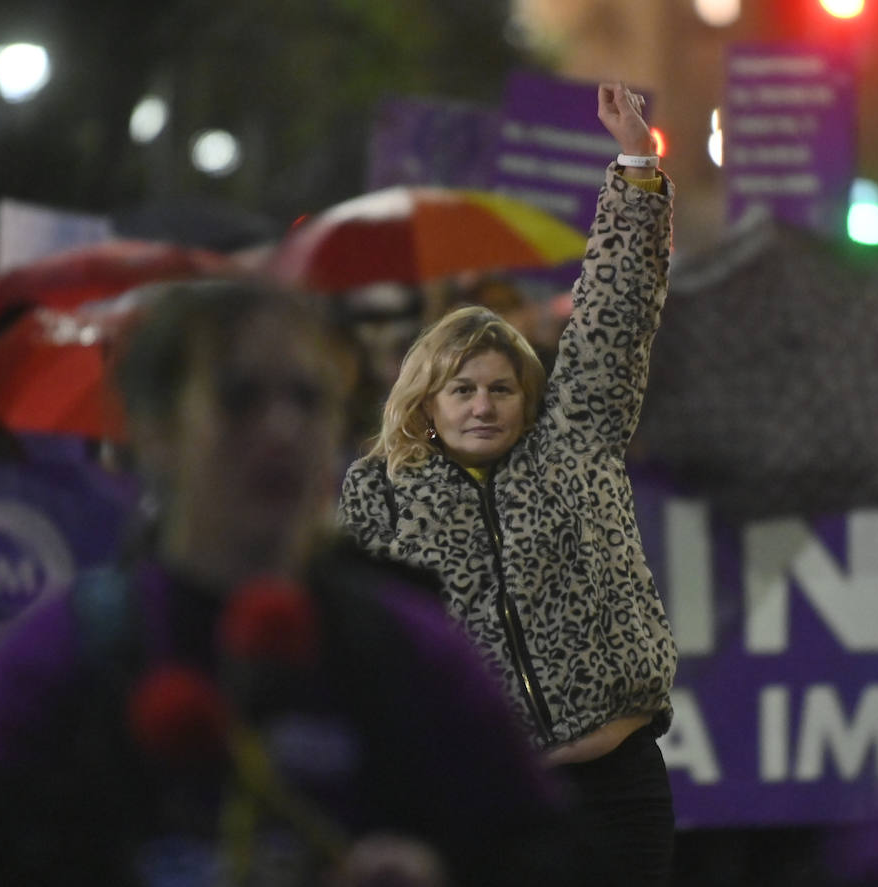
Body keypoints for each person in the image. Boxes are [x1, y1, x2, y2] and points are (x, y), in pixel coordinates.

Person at [0, 279, 593, 887]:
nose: (282, 430)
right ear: (156, 430)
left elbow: (543, 854)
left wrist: (438, 870)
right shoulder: (57, 659)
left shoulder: (415, 651)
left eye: (308, 400)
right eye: (238, 398)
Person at [338, 82, 679, 885]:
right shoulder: (378, 492)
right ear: (426, 401)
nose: (483, 404)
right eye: (463, 389)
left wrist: (634, 163)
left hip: (618, 790)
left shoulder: (576, 440)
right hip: (492, 797)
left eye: (500, 387)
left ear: (529, 395)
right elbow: (370, 651)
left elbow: (615, 307)